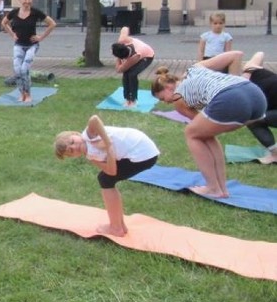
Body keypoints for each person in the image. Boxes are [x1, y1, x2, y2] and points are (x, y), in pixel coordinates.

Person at [151, 51, 266, 198]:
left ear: (168, 87)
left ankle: (213, 188)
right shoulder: (195, 67)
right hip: (256, 95)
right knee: (204, 134)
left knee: (191, 134)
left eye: (162, 98)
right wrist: (235, 78)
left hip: (230, 97)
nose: (165, 102)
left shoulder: (178, 98)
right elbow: (236, 55)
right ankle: (221, 189)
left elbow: (198, 122)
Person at [54, 115, 159, 236]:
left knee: (105, 180)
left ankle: (116, 228)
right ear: (74, 156)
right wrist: (110, 152)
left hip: (142, 152)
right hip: (140, 154)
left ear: (76, 135)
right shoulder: (91, 156)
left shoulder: (88, 136)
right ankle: (120, 225)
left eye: (72, 142)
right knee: (105, 179)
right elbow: (112, 171)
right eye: (71, 151)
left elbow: (94, 119)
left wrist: (108, 143)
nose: (74, 147)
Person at [0, 0, 56, 103]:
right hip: (19, 45)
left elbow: (52, 24)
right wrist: (12, 34)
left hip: (32, 45)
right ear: (20, 0)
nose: (27, 1)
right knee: (17, 70)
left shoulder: (36, 12)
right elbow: (3, 23)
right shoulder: (14, 13)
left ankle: (28, 94)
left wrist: (41, 37)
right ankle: (22, 94)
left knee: (24, 69)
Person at [241, 51, 277, 164]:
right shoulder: (240, 96)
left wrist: (247, 72)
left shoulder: (249, 71)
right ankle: (275, 153)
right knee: (252, 120)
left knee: (252, 121)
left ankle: (275, 155)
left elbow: (259, 54)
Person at [112, 26, 155, 107]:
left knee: (132, 74)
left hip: (147, 55)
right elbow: (125, 28)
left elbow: (119, 69)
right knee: (126, 74)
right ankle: (127, 98)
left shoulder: (134, 56)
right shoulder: (123, 41)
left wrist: (118, 59)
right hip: (130, 52)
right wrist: (123, 35)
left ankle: (133, 100)